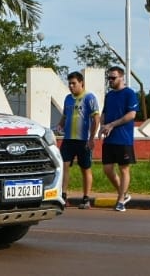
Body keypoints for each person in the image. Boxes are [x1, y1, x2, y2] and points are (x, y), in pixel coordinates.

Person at [57, 71, 100, 209]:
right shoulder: (68, 99)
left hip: (84, 140)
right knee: (64, 167)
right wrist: (59, 125)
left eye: (73, 83)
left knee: (85, 168)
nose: (71, 86)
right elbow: (65, 116)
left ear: (81, 83)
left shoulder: (89, 97)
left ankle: (86, 198)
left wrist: (92, 138)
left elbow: (96, 119)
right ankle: (63, 196)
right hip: (68, 139)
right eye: (69, 83)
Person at [99, 65, 139, 212]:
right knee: (107, 169)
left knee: (124, 169)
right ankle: (124, 193)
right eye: (109, 78)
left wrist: (112, 125)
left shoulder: (129, 93)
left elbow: (132, 115)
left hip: (123, 138)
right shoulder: (109, 95)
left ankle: (121, 200)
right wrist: (102, 126)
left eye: (113, 77)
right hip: (109, 139)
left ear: (122, 78)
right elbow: (104, 113)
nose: (110, 80)